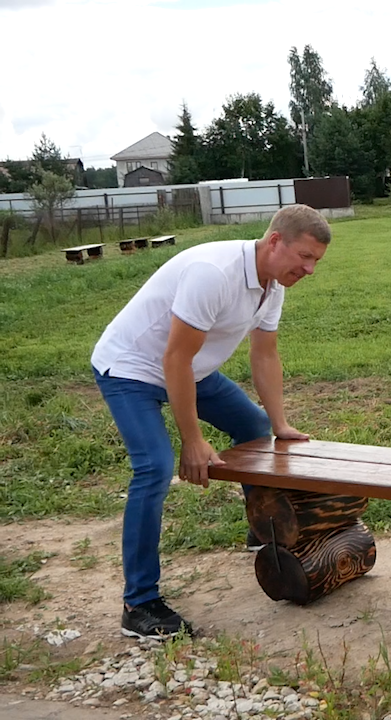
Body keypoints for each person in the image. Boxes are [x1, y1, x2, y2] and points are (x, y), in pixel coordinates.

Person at [92, 204, 331, 640]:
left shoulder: (272, 285)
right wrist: (192, 440)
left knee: (255, 429)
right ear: (275, 241)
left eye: (316, 260)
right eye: (305, 256)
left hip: (191, 371)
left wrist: (278, 423)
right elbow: (175, 357)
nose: (310, 269)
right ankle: (139, 603)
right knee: (154, 468)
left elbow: (265, 354)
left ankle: (263, 531)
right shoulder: (213, 272)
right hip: (132, 369)